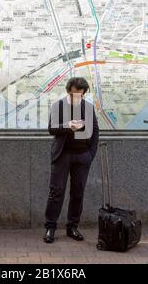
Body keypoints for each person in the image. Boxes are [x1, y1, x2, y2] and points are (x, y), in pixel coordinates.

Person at [43, 77, 99, 243]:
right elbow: (51, 129)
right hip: (62, 155)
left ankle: (72, 227)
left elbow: (95, 131)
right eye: (74, 94)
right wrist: (68, 126)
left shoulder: (88, 107)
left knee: (78, 193)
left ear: (84, 94)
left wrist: (90, 155)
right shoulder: (58, 106)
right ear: (68, 91)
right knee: (56, 192)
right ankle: (50, 228)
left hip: (82, 156)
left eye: (80, 95)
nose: (77, 98)